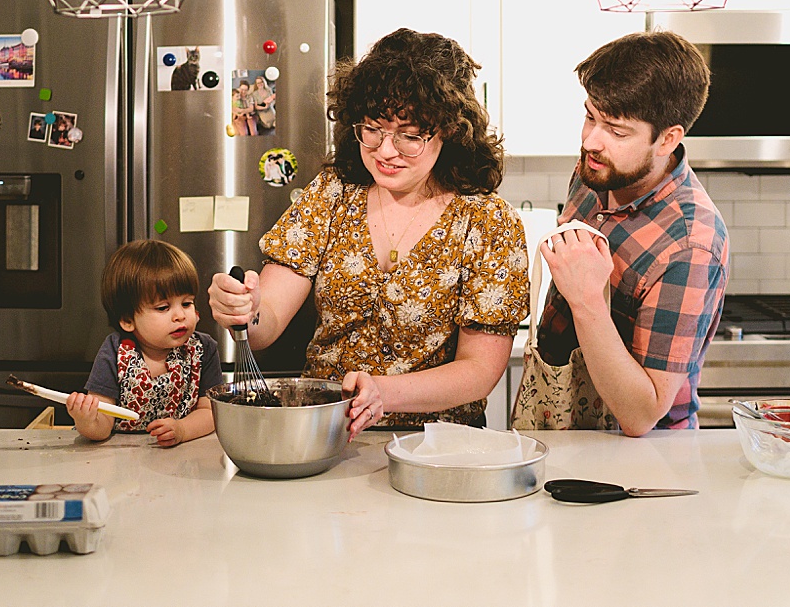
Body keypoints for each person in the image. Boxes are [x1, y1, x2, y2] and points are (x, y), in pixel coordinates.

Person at [210, 28, 529, 440]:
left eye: (410, 135)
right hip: (326, 435)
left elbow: (479, 371)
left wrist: (384, 392)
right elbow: (266, 323)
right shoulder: (332, 194)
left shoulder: (487, 221)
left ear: (448, 131)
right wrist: (244, 309)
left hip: (438, 446)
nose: (385, 150)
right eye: (373, 129)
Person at [536, 30, 729, 437]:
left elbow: (642, 415)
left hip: (640, 458)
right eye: (590, 116)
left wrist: (587, 299)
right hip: (564, 420)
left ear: (668, 139)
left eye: (616, 130)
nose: (591, 140)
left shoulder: (691, 244)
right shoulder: (599, 168)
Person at [67, 240, 222, 446]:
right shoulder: (115, 351)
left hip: (183, 459)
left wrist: (182, 430)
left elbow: (211, 412)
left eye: (187, 303)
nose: (180, 316)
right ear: (128, 320)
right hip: (120, 459)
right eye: (163, 307)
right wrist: (86, 420)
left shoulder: (204, 349)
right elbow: (102, 425)